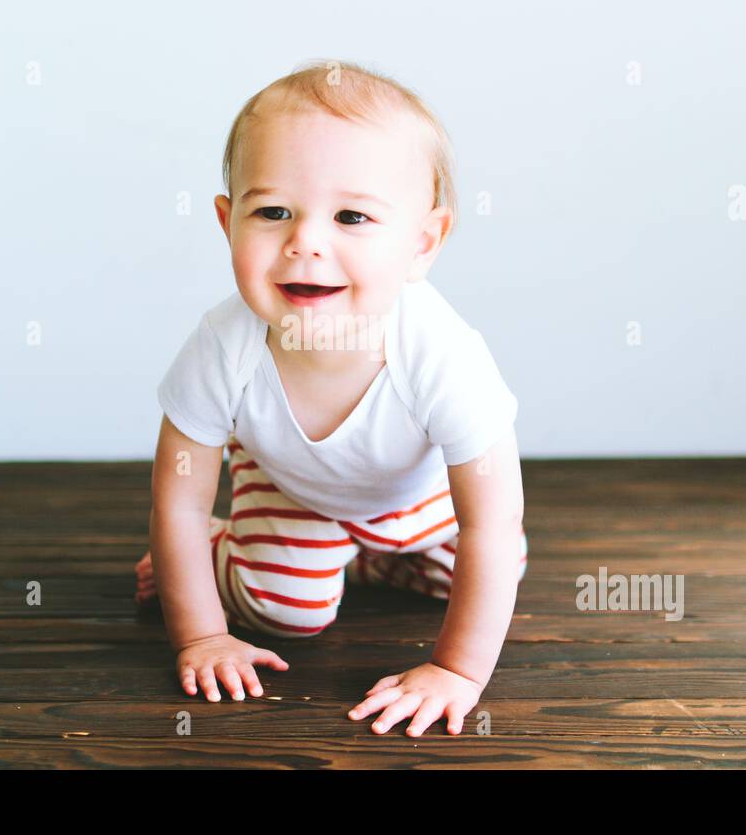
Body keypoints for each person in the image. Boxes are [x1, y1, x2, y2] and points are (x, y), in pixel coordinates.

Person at [139, 60, 527, 737]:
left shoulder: (443, 355)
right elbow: (178, 498)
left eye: (352, 216)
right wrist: (201, 635)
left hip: (417, 497)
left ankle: (368, 552)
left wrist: (456, 672)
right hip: (292, 489)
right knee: (287, 609)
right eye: (273, 211)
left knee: (495, 568)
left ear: (422, 243)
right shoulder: (223, 346)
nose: (306, 242)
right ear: (228, 222)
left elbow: (490, 522)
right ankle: (225, 550)